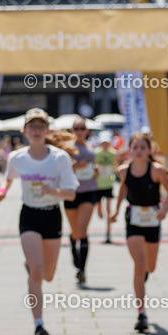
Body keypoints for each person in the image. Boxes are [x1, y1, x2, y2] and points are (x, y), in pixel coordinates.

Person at [0, 108, 78, 335]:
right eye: (33, 127)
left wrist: (53, 191)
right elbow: (7, 179)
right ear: (25, 131)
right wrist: (0, 193)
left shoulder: (60, 158)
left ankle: (34, 267)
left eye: (41, 127)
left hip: (52, 215)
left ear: (47, 130)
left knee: (48, 275)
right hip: (28, 215)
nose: (37, 131)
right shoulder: (17, 158)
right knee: (37, 271)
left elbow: (71, 194)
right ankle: (38, 325)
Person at [110, 131, 168, 333]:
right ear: (129, 150)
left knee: (150, 267)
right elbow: (123, 188)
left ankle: (143, 276)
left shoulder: (156, 170)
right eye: (135, 147)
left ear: (149, 150)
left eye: (142, 147)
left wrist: (164, 209)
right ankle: (141, 312)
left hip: (153, 221)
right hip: (134, 220)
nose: (138, 151)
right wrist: (116, 210)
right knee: (139, 264)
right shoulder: (123, 170)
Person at [65, 116, 98, 285]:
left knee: (83, 230)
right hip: (71, 192)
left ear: (86, 130)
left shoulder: (92, 146)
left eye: (82, 128)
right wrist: (76, 167)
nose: (79, 131)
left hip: (89, 191)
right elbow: (62, 169)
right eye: (76, 128)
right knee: (76, 232)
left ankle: (81, 269)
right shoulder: (68, 148)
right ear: (72, 131)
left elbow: (94, 165)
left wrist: (96, 171)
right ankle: (72, 243)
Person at [95, 131, 117, 244]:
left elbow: (116, 165)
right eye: (103, 143)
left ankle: (108, 232)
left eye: (107, 143)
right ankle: (99, 210)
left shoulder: (113, 153)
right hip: (98, 184)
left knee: (108, 209)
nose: (105, 145)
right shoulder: (96, 153)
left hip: (108, 183)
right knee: (98, 205)